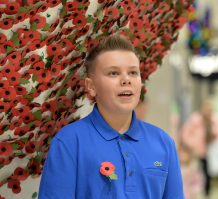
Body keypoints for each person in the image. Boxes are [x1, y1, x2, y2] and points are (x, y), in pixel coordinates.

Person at [38, 35, 185, 199]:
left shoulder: (163, 143)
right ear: (91, 87)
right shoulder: (69, 142)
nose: (126, 80)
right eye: (113, 73)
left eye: (133, 72)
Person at [181, 97, 218, 197]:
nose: (208, 110)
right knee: (194, 173)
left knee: (208, 174)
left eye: (210, 108)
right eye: (207, 107)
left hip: (211, 152)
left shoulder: (215, 119)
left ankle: (207, 193)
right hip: (196, 152)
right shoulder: (195, 119)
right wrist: (192, 144)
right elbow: (185, 133)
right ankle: (193, 192)